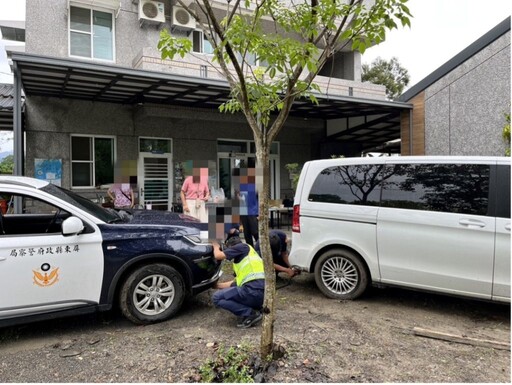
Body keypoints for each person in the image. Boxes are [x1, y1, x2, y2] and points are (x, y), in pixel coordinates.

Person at [211, 228, 265, 328]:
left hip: (252, 291)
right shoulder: (249, 255)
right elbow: (236, 283)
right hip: (262, 295)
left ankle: (249, 314)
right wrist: (216, 285)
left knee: (216, 298)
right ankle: (256, 308)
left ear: (232, 248)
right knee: (231, 292)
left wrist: (215, 245)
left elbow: (218, 255)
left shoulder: (241, 247)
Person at [238, 167, 259, 247]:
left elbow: (259, 200)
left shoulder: (255, 186)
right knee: (247, 233)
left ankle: (259, 248)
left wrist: (258, 213)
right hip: (244, 212)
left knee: (255, 232)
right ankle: (251, 250)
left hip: (253, 211)